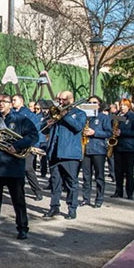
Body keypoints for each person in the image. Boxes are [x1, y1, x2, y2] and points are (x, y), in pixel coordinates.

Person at [0, 93, 37, 240]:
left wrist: (17, 145)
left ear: (11, 104)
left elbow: (33, 136)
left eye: (4, 101)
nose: (1, 104)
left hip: (13, 166)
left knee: (18, 200)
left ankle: (22, 228)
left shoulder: (21, 119)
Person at [42, 91, 86, 220]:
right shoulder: (54, 112)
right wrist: (47, 124)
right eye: (59, 99)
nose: (61, 102)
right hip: (54, 152)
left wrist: (64, 115)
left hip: (70, 153)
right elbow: (44, 129)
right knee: (55, 182)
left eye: (64, 99)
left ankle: (72, 208)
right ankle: (54, 206)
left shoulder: (79, 113)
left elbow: (78, 127)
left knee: (71, 183)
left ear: (71, 100)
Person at [80, 96, 112, 208]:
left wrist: (95, 132)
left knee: (99, 176)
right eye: (90, 103)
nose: (92, 104)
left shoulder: (103, 117)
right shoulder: (84, 117)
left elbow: (108, 133)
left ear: (99, 105)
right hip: (85, 148)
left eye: (94, 102)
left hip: (98, 149)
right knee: (86, 176)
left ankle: (99, 199)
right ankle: (86, 198)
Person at [11, 94, 44, 201]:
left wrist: (33, 145)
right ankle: (18, 192)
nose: (12, 102)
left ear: (21, 101)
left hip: (27, 146)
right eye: (12, 100)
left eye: (15, 100)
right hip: (13, 145)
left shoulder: (29, 115)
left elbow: (35, 131)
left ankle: (37, 191)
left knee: (27, 168)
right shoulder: (11, 113)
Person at [111, 99, 134, 200]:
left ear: (128, 106)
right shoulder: (116, 116)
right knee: (118, 171)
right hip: (118, 146)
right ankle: (118, 191)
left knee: (129, 171)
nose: (122, 107)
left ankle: (130, 192)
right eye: (121, 105)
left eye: (124, 105)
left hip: (129, 147)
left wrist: (122, 132)